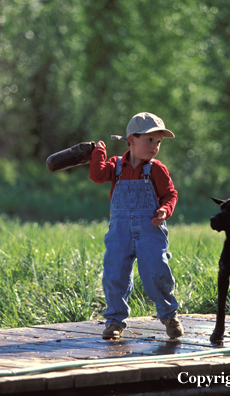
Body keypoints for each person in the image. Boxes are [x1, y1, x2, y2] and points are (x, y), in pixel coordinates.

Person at [89, 112, 184, 340]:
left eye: (158, 142)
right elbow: (97, 175)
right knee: (114, 275)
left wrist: (164, 210)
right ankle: (114, 322)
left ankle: (169, 317)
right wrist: (98, 153)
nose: (155, 146)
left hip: (149, 231)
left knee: (156, 273)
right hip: (119, 232)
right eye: (149, 140)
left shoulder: (156, 169)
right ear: (131, 139)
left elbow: (170, 194)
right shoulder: (116, 166)